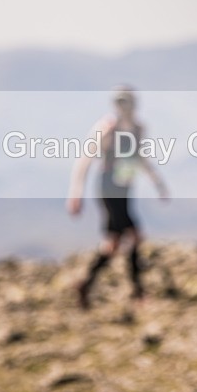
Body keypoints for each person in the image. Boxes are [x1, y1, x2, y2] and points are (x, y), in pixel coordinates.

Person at [66, 87, 168, 307]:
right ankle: (138, 293)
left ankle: (85, 284)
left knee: (112, 244)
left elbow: (140, 157)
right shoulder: (106, 128)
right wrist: (76, 192)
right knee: (134, 235)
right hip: (108, 188)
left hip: (125, 190)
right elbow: (85, 159)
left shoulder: (138, 129)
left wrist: (158, 183)